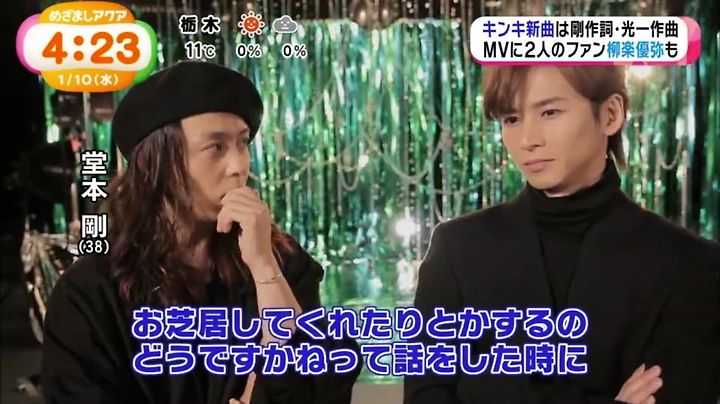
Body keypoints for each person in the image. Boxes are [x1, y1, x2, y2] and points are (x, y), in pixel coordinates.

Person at [41, 61, 362, 404]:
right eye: (216, 147)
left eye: (243, 143)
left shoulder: (278, 260)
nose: (239, 166)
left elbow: (320, 385)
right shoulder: (90, 293)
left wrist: (265, 269)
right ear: (158, 165)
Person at [404, 66, 720, 404]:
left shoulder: (690, 263)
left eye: (550, 112)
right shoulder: (458, 250)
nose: (528, 140)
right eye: (512, 119)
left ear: (610, 114)